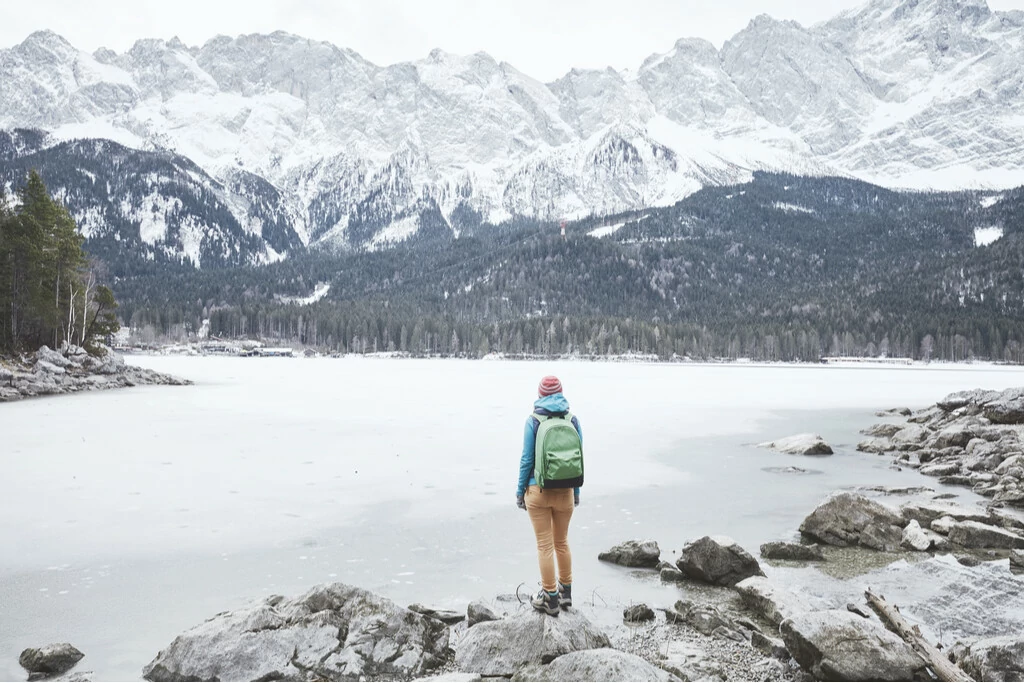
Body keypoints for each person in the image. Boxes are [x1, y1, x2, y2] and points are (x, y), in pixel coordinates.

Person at [516, 375, 582, 616]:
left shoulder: (533, 421)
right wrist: (575, 492)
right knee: (562, 542)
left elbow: (526, 460)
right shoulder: (572, 420)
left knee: (545, 545)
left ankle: (550, 598)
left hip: (538, 491)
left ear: (540, 395)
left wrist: (519, 492)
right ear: (561, 393)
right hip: (565, 492)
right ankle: (566, 594)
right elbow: (578, 460)